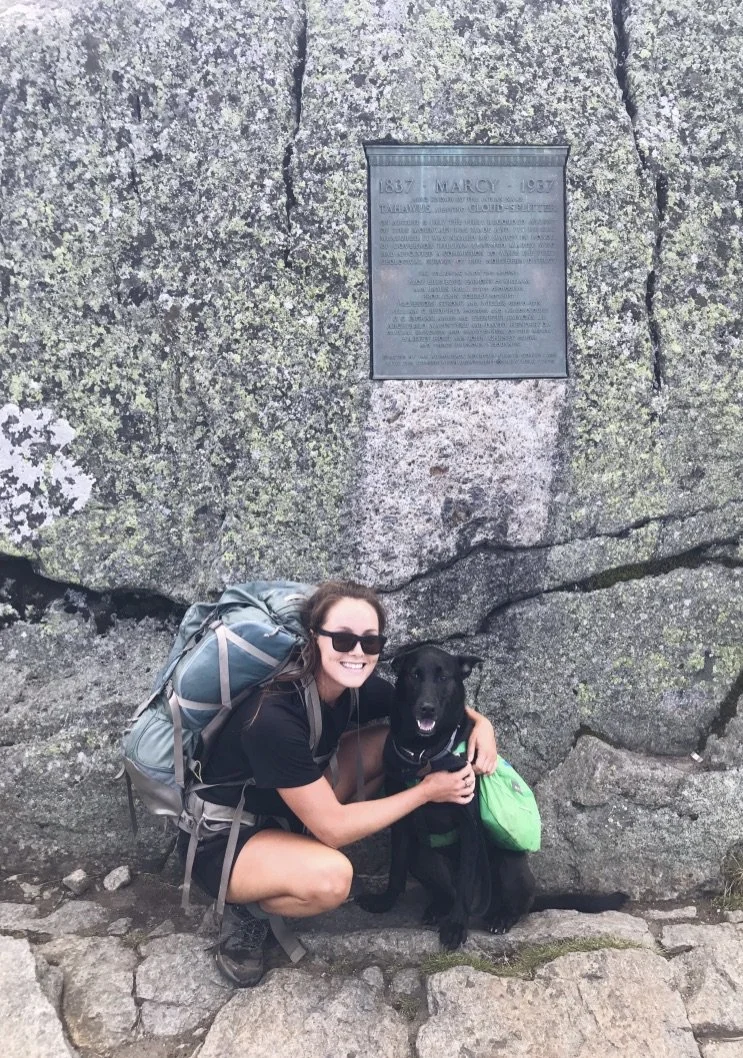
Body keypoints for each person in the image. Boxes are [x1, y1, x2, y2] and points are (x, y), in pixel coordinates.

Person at [178, 580, 498, 986]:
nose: (357, 653)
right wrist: (427, 791)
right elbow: (334, 828)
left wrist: (481, 724)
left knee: (391, 741)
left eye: (370, 642)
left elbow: (422, 700)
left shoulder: (351, 686)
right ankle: (244, 910)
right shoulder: (272, 717)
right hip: (226, 837)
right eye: (343, 639)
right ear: (315, 637)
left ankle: (292, 855)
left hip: (284, 809)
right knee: (333, 880)